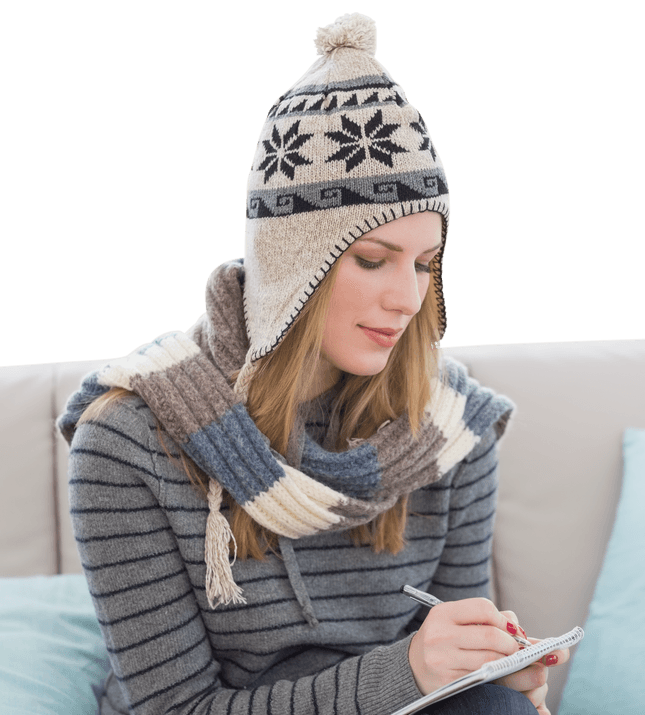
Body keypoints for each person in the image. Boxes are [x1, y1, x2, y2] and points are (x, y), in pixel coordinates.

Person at [57, 12, 568, 715]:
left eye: (424, 264)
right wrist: (406, 672)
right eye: (370, 258)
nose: (406, 299)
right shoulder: (128, 443)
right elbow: (174, 709)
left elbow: (445, 667)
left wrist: (487, 665)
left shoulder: (449, 427)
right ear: (294, 266)